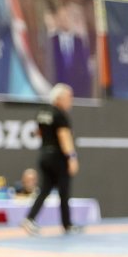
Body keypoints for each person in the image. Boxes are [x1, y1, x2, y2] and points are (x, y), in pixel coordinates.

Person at [23, 84, 81, 235]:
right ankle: (67, 225)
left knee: (45, 190)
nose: (71, 101)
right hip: (58, 157)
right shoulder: (60, 114)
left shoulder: (42, 112)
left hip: (44, 155)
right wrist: (72, 157)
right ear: (59, 98)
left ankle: (29, 219)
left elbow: (39, 132)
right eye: (69, 97)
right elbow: (64, 137)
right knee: (64, 191)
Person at [50, 2, 93, 98]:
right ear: (57, 19)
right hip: (56, 91)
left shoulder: (79, 41)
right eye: (61, 17)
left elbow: (84, 68)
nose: (64, 20)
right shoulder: (51, 40)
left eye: (67, 17)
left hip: (77, 93)